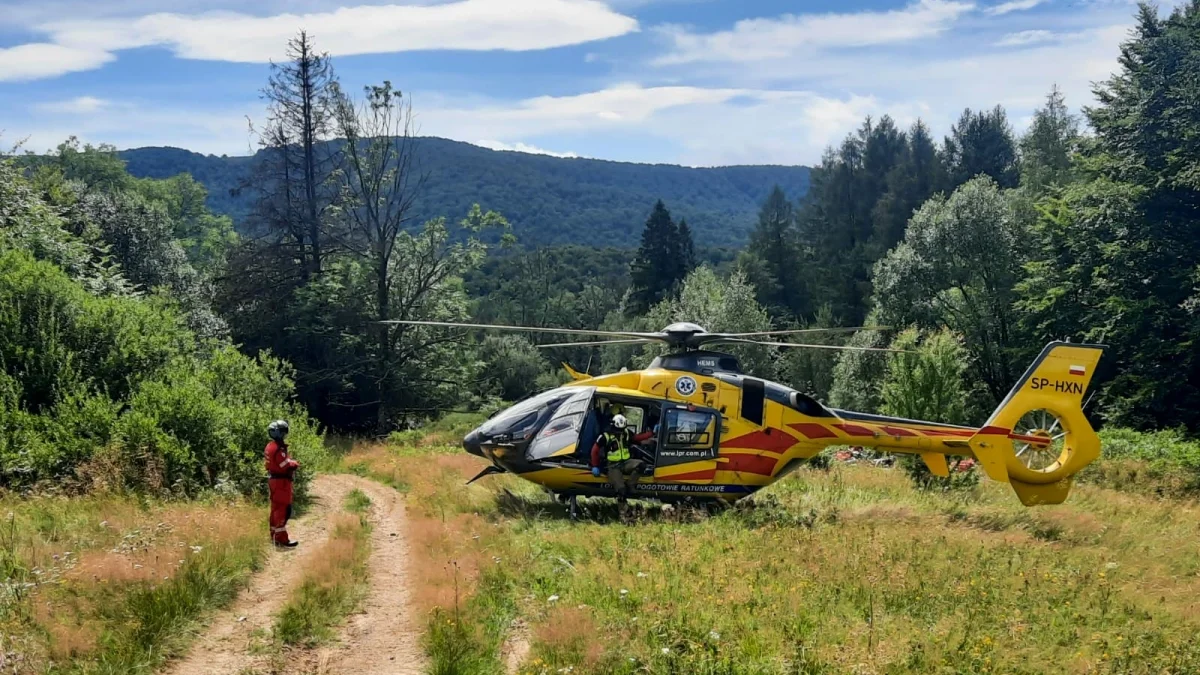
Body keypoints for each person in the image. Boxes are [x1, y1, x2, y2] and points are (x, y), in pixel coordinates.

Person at [589, 414, 654, 506]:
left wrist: (651, 433)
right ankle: (623, 509)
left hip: (626, 462)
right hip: (612, 466)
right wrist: (595, 466)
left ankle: (630, 484)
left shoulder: (626, 432)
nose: (620, 432)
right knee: (621, 491)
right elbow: (594, 451)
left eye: (621, 429)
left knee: (642, 465)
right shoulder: (605, 436)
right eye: (618, 430)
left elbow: (637, 438)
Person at [265, 419, 301, 548]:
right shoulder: (278, 449)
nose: (285, 435)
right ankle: (281, 539)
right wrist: (294, 463)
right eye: (283, 432)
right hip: (281, 482)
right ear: (278, 433)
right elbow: (284, 465)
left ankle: (274, 535)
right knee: (283, 510)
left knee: (275, 509)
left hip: (274, 481)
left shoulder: (270, 446)